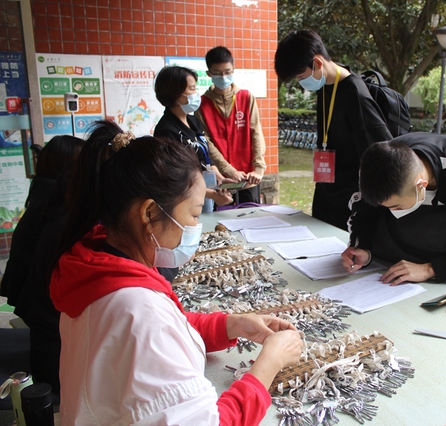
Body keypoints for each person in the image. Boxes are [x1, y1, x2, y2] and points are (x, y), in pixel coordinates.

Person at [49, 120, 302, 425]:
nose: (197, 227)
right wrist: (268, 365)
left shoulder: (98, 269)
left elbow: (167, 331)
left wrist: (229, 325)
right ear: (149, 213)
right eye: (194, 214)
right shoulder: (139, 313)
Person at [341, 132, 446, 284]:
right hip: (382, 265)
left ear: (421, 186)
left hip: (442, 266)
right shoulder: (380, 163)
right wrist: (362, 248)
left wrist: (431, 269)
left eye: (396, 206)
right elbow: (363, 215)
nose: (393, 211)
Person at [274, 30, 392, 230]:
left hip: (350, 198)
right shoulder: (325, 86)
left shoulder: (355, 93)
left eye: (301, 76)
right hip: (326, 189)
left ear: (317, 62)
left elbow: (379, 152)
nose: (301, 82)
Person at [0, 135, 84, 307]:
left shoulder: (43, 189)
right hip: (35, 298)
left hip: (24, 289)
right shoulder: (57, 198)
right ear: (67, 166)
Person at [154, 65, 233, 211]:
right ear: (174, 92)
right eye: (192, 89)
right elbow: (177, 178)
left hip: (206, 191)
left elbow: (204, 156)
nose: (196, 94)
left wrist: (220, 178)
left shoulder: (193, 121)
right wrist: (213, 195)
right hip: (187, 198)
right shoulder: (166, 131)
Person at [195, 46, 266, 204]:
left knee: (251, 215)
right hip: (222, 181)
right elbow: (207, 143)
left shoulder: (246, 97)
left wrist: (258, 168)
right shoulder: (202, 104)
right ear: (209, 74)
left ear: (233, 70)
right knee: (223, 218)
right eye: (218, 73)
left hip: (248, 178)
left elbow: (256, 133)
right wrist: (229, 170)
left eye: (227, 72)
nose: (223, 77)